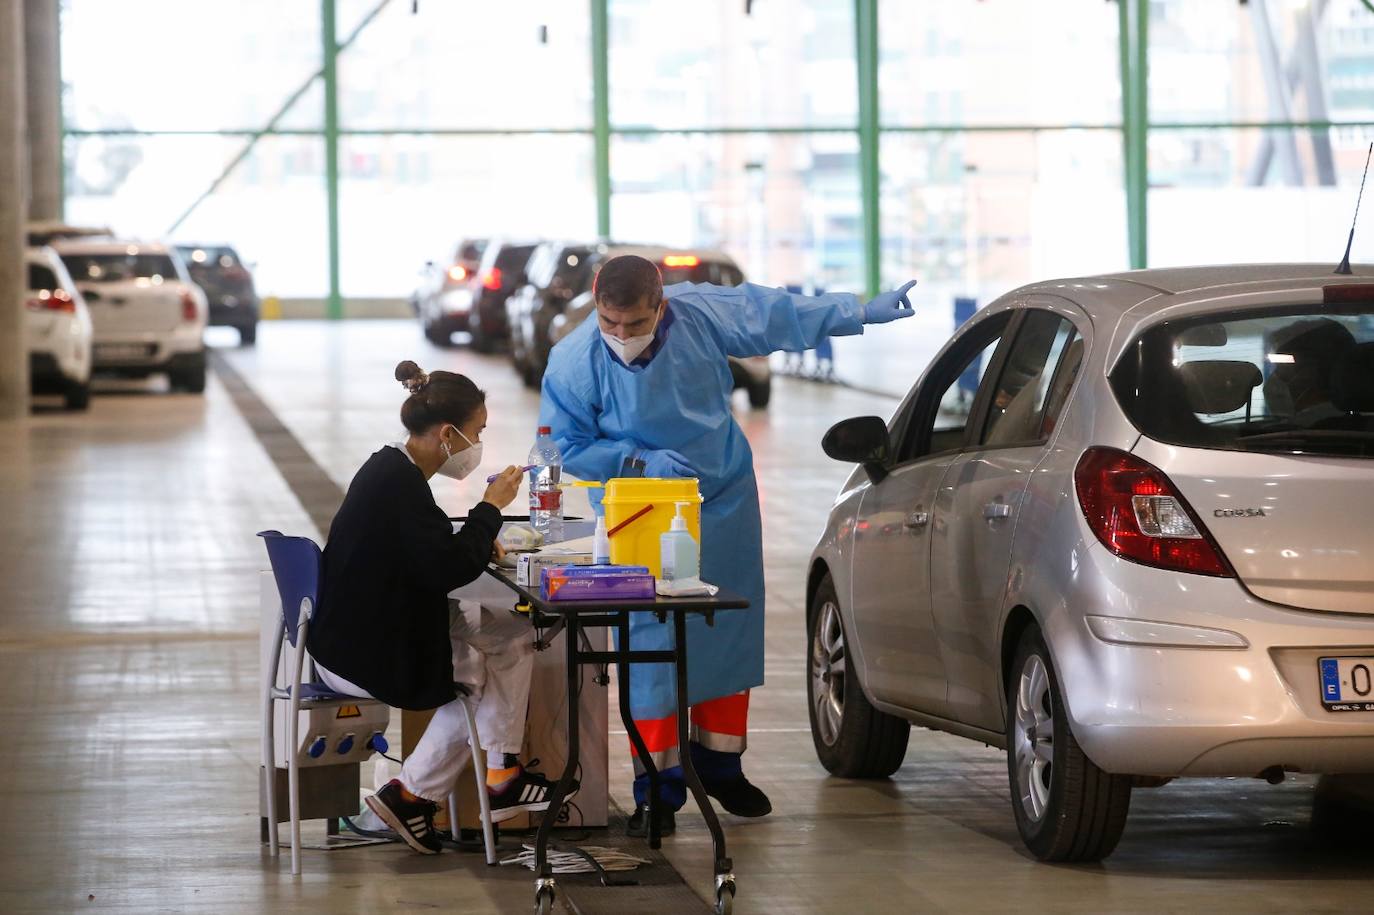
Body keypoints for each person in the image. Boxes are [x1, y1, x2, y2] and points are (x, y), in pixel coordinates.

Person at [539, 255, 916, 835]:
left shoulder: (700, 315)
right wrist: (635, 460)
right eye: (608, 323)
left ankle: (720, 765)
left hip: (721, 498)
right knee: (650, 641)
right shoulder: (574, 360)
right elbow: (564, 447)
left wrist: (857, 311)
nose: (620, 337)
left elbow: (773, 313)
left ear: (659, 305)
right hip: (640, 507)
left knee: (727, 626)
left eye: (634, 324)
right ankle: (656, 788)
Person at [309, 360, 568, 855]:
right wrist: (490, 508)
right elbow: (449, 570)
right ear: (448, 433)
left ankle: (496, 773)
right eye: (478, 432)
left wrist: (477, 536)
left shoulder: (391, 469)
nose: (478, 445)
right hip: (363, 650)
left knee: (514, 639)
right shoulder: (399, 485)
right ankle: (420, 793)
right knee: (473, 682)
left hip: (364, 625)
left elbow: (428, 549)